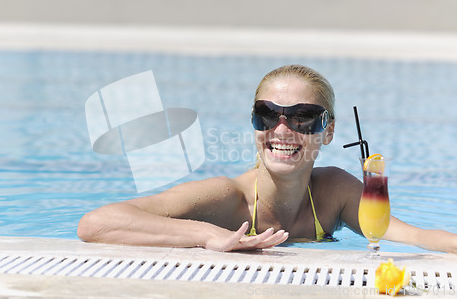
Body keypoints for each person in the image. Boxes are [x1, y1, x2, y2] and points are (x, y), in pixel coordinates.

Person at [77, 64, 457, 254]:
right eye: (267, 113)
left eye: (303, 117)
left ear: (328, 131)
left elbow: (416, 236)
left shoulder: (335, 192)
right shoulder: (226, 197)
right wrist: (208, 234)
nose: (282, 129)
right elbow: (96, 224)